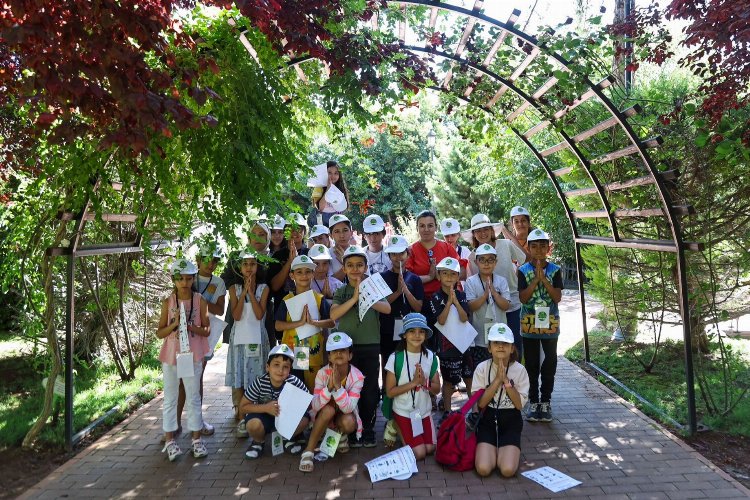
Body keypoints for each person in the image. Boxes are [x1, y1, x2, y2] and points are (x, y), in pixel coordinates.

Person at [331, 245, 392, 447]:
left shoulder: (374, 286)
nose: (355, 269)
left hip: (371, 345)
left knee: (370, 389)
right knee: (348, 389)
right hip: (347, 349)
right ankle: (350, 429)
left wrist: (367, 296)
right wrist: (354, 299)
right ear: (344, 268)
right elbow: (334, 315)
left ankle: (367, 429)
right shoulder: (341, 290)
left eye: (359, 265)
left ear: (366, 267)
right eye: (350, 265)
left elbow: (387, 308)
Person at [156, 258, 210, 461]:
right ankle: (170, 440)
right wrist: (174, 324)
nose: (185, 283)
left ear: (193, 278)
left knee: (193, 396)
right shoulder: (168, 302)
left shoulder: (199, 300)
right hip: (171, 356)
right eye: (180, 279)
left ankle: (196, 440)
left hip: (192, 353)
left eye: (189, 278)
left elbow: (206, 329)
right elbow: (160, 333)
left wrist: (190, 327)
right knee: (170, 397)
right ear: (173, 279)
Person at [299, 332, 364, 472]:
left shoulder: (357, 376)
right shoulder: (322, 373)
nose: (339, 354)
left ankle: (338, 432)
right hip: (325, 414)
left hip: (343, 415)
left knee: (348, 422)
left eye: (343, 350)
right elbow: (315, 405)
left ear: (350, 355)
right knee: (328, 410)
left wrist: (338, 387)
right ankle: (309, 451)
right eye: (334, 351)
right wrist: (329, 388)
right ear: (329, 356)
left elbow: (348, 409)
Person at [465, 213, 527, 357]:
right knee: (493, 350)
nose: (482, 233)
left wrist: (516, 280)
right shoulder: (472, 258)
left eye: (486, 229)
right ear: (474, 234)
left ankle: (515, 378)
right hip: (489, 311)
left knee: (514, 347)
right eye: (478, 230)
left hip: (512, 306)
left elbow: (524, 261)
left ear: (492, 230)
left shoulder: (506, 245)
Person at [180, 242, 226, 438]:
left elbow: (220, 310)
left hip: (204, 336)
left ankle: (197, 422)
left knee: (197, 377)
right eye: (206, 260)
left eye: (214, 260)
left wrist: (201, 301)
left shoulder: (219, 283)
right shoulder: (188, 278)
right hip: (183, 337)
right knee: (182, 379)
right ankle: (174, 425)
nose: (210, 264)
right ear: (198, 260)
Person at [472, 323, 529, 478]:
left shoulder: (520, 370)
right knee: (483, 469)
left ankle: (503, 449)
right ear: (489, 348)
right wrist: (497, 380)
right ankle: (494, 449)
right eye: (496, 342)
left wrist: (506, 382)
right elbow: (481, 403)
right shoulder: (482, 368)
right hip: (488, 420)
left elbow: (519, 405)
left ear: (512, 348)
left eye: (505, 343)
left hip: (511, 420)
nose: (501, 347)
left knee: (507, 470)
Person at [518, 229, 563, 422]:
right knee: (532, 363)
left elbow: (557, 297)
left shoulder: (555, 270)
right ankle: (534, 401)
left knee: (550, 361)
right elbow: (523, 297)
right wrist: (535, 279)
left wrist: (544, 279)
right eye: (534, 246)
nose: (538, 250)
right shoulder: (522, 270)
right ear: (528, 248)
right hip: (528, 322)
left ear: (548, 248)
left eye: (543, 246)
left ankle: (546, 401)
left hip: (550, 322)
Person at [384, 313, 441, 460]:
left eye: (421, 331)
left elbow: (437, 389)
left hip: (423, 411)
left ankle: (412, 433)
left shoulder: (431, 357)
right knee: (419, 453)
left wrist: (424, 383)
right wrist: (414, 383)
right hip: (403, 411)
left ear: (426, 335)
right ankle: (395, 424)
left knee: (430, 448)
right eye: (411, 331)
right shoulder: (395, 357)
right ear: (404, 335)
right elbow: (390, 392)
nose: (417, 335)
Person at [239, 344, 310, 459]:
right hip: (264, 417)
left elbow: (308, 402)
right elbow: (243, 407)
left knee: (304, 419)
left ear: (290, 370)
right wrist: (265, 408)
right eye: (276, 365)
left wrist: (293, 408)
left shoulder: (294, 382)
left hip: (287, 417)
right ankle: (258, 442)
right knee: (253, 424)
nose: (280, 370)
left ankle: (288, 437)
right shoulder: (260, 382)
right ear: (268, 367)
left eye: (285, 366)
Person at [274, 255, 335, 391]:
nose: (304, 276)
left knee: (313, 393)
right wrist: (299, 322)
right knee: (295, 392)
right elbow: (278, 325)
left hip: (313, 355)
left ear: (313, 274)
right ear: (292, 275)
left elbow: (331, 322)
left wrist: (314, 322)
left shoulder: (319, 299)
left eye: (308, 271)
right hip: (292, 355)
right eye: (299, 272)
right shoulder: (287, 300)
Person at [226, 248, 270, 426]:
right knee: (240, 372)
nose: (249, 267)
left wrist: (251, 294)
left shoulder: (263, 288)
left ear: (258, 266)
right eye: (245, 264)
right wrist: (243, 292)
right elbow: (236, 316)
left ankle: (257, 410)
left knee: (256, 372)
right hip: (239, 339)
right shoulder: (233, 289)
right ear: (239, 267)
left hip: (257, 337)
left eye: (252, 263)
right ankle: (240, 412)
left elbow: (260, 314)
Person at [426, 257, 471, 421]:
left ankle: (473, 411)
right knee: (448, 381)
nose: (449, 277)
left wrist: (456, 302)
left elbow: (465, 317)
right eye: (445, 274)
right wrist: (448, 303)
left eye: (453, 274)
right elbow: (441, 320)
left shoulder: (462, 295)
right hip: (446, 347)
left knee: (468, 376)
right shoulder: (435, 297)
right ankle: (447, 411)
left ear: (458, 277)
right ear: (438, 276)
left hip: (464, 344)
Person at [465, 243, 511, 390]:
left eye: (490, 260)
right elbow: (471, 306)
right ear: (476, 262)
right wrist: (485, 295)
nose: (486, 263)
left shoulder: (501, 281)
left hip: (499, 338)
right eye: (482, 260)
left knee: (499, 372)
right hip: (479, 337)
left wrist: (494, 293)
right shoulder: (471, 281)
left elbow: (505, 305)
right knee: (480, 374)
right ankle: (479, 408)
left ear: (496, 262)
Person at [379, 235, 424, 381]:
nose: (398, 257)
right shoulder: (382, 278)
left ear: (408, 254)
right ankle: (387, 396)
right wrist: (398, 292)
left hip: (409, 329)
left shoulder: (415, 279)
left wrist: (406, 290)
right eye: (394, 254)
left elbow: (418, 307)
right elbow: (380, 305)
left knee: (408, 362)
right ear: (389, 255)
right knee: (387, 362)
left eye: (401, 253)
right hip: (387, 327)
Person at [405, 210, 459, 314]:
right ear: (417, 228)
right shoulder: (410, 251)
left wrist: (441, 275)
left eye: (430, 225)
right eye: (422, 226)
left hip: (445, 300)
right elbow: (408, 280)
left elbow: (461, 272)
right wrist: (430, 277)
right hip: (419, 301)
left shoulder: (447, 248)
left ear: (436, 227)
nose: (426, 229)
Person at [310, 161, 350, 227]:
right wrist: (328, 189)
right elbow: (320, 208)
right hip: (321, 221)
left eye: (336, 173)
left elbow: (343, 208)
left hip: (336, 220)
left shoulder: (340, 188)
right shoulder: (319, 187)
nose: (333, 176)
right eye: (329, 173)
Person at [440, 217, 470, 281]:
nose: (450, 239)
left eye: (453, 235)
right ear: (443, 236)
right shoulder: (439, 251)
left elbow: (470, 273)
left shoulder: (465, 251)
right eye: (447, 236)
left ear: (458, 235)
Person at [328, 214, 353, 282]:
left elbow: (364, 279)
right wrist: (346, 264)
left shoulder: (359, 252)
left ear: (351, 232)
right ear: (331, 235)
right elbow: (330, 283)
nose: (342, 235)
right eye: (337, 231)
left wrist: (344, 261)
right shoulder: (327, 254)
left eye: (345, 230)